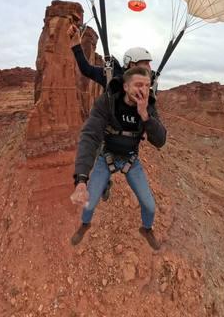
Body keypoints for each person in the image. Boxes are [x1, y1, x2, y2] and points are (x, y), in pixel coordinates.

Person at [70, 66, 167, 250]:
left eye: (147, 86)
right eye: (138, 85)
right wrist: (81, 179)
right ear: (125, 87)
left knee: (150, 206)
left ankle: (146, 229)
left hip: (131, 161)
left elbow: (160, 140)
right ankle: (85, 224)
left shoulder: (149, 107)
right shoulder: (108, 102)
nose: (143, 90)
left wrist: (145, 116)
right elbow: (90, 136)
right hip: (106, 157)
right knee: (89, 204)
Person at [68, 24, 154, 201]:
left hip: (130, 137)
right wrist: (76, 44)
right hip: (108, 127)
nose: (149, 68)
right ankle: (104, 185)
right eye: (145, 64)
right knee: (100, 156)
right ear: (131, 64)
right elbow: (86, 69)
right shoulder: (110, 75)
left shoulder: (146, 83)